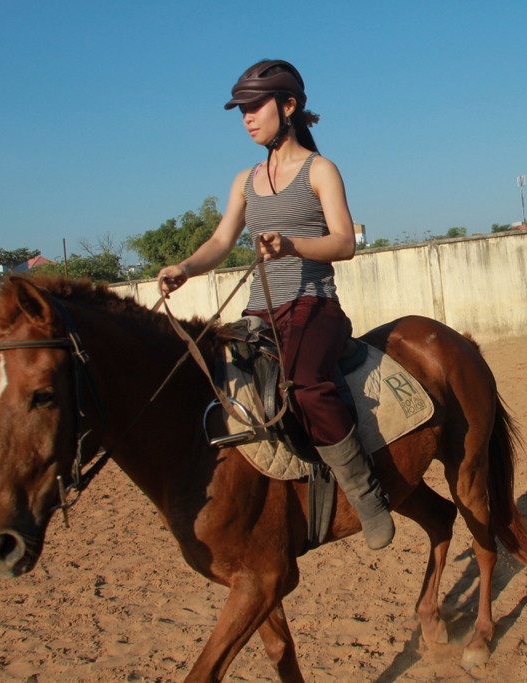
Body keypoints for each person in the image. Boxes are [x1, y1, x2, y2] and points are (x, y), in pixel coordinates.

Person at [157, 59, 394, 550]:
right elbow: (220, 241)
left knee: (305, 385)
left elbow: (344, 242)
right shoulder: (244, 181)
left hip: (314, 305)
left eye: (254, 106)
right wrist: (185, 267)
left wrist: (291, 245)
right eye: (241, 110)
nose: (246, 117)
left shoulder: (320, 170)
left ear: (288, 106)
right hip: (258, 314)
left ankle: (367, 495)